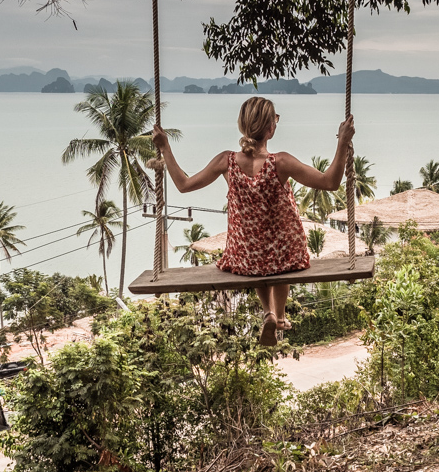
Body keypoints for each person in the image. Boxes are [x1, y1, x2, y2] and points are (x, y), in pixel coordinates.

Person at [152, 96, 355, 346]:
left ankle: (269, 313)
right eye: (275, 120)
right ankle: (278, 315)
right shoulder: (280, 162)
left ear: (242, 125)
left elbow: (183, 185)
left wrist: (165, 147)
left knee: (257, 254)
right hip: (285, 255)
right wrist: (343, 142)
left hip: (245, 257)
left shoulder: (225, 162)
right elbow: (330, 182)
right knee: (282, 254)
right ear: (271, 128)